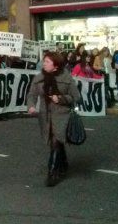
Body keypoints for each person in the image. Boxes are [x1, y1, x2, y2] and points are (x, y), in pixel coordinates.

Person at [26, 51, 81, 187]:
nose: (44, 64)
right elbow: (31, 95)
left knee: (56, 141)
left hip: (61, 114)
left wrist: (61, 98)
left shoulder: (66, 77)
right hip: (45, 115)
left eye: (47, 62)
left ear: (55, 65)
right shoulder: (39, 78)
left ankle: (52, 173)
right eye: (44, 61)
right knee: (54, 142)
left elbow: (76, 97)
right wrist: (31, 106)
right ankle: (63, 164)